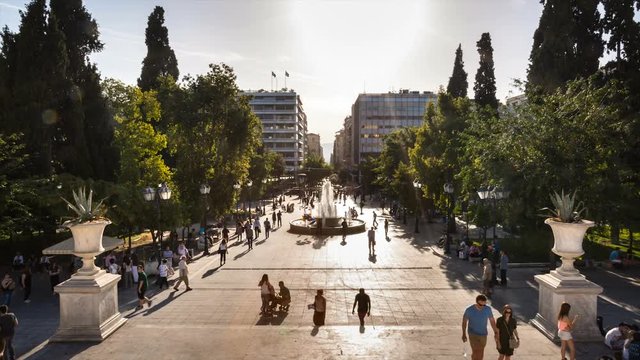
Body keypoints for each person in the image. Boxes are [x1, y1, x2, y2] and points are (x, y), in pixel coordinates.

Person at [462, 294, 498, 360]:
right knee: (475, 351)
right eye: (480, 305)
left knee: (481, 351)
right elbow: (464, 322)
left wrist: (496, 332)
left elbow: (492, 321)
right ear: (476, 302)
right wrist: (464, 333)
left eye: (484, 305)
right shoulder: (469, 310)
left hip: (483, 334)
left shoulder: (488, 309)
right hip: (473, 334)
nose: (482, 306)